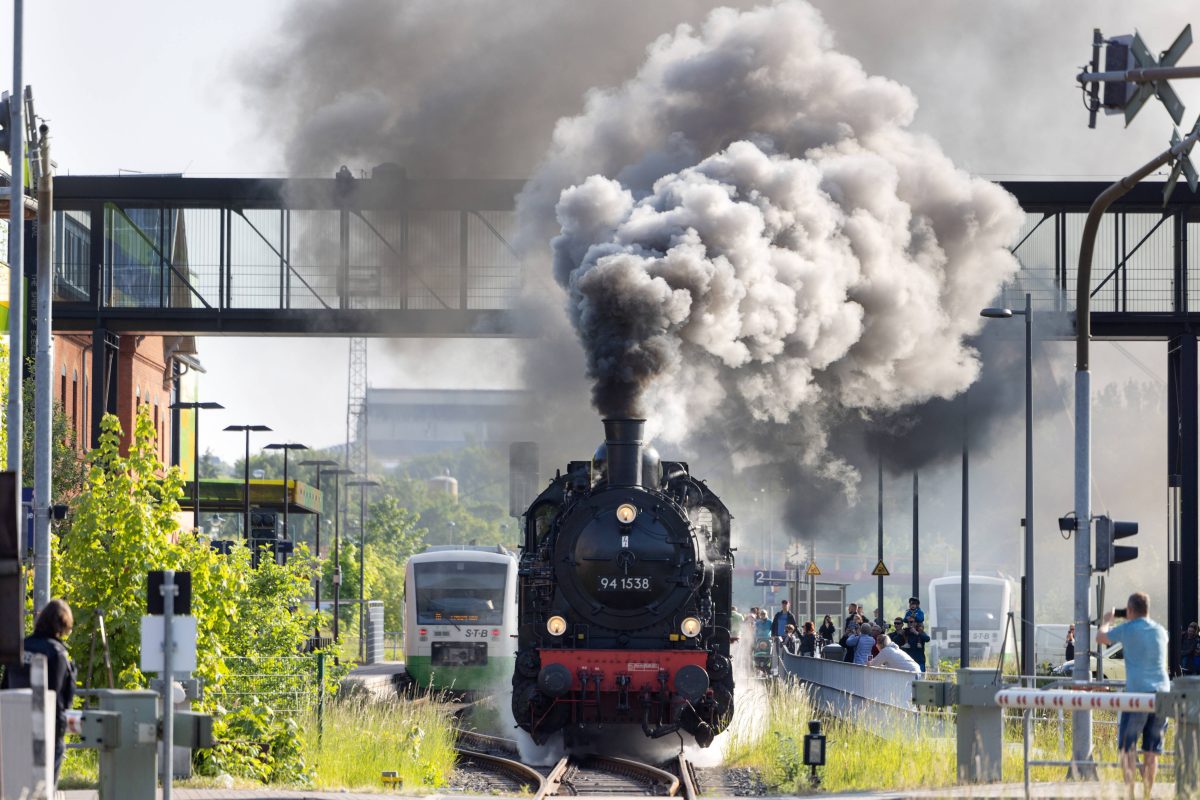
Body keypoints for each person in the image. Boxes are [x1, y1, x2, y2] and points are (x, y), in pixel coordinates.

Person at [1097, 592, 1170, 799]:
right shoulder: (1161, 631)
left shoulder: (1128, 629)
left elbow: (1101, 638)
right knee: (1151, 751)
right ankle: (1147, 794)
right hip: (1162, 695)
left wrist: (1107, 621)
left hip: (1138, 694)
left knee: (1127, 748)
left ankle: (1130, 794)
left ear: (1129, 610)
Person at [1, 599, 77, 786]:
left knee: (16, 786)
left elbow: (4, 687)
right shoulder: (57, 653)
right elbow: (61, 698)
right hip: (47, 728)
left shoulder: (19, 647)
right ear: (63, 623)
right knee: (44, 787)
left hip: (14, 725)